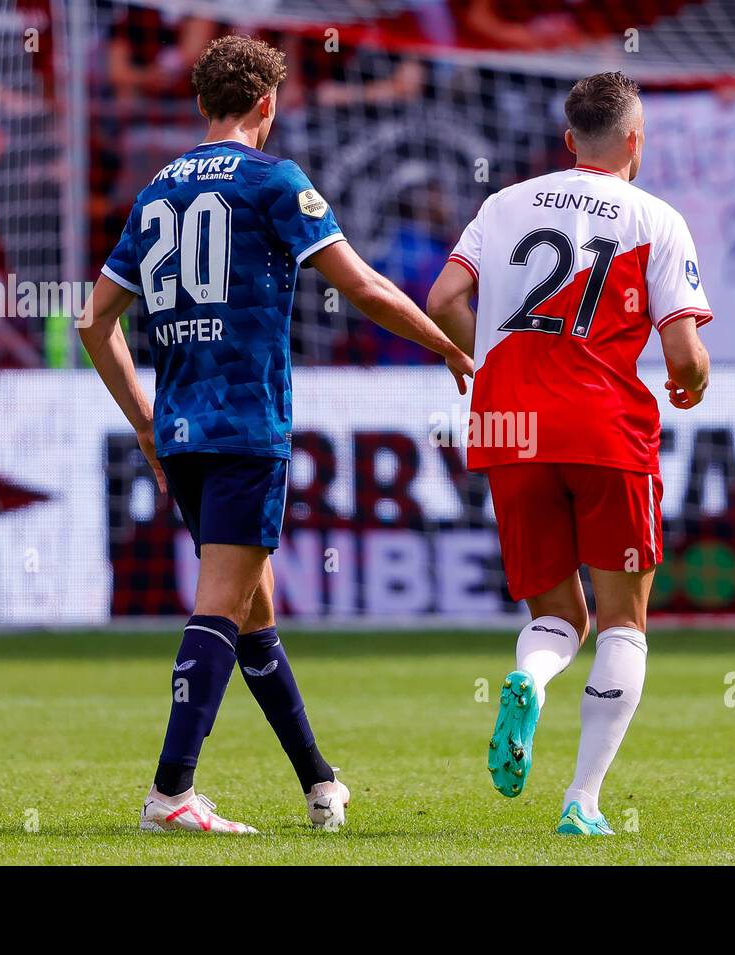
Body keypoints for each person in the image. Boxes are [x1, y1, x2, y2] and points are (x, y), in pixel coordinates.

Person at [79, 35, 473, 834]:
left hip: (183, 427)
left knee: (254, 612)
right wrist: (446, 344)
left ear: (201, 105)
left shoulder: (156, 191)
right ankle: (170, 793)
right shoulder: (273, 181)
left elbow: (94, 323)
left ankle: (320, 782)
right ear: (268, 104)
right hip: (246, 424)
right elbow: (358, 285)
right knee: (222, 605)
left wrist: (147, 423)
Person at [426, 71, 713, 835]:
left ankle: (527, 676)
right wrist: (694, 383)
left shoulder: (503, 203)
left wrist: (485, 357)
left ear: (567, 140)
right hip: (602, 429)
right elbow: (683, 353)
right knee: (623, 621)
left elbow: (442, 301)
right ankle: (580, 802)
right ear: (634, 141)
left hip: (506, 426)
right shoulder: (656, 218)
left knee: (556, 614)